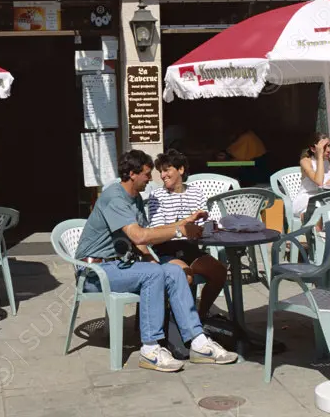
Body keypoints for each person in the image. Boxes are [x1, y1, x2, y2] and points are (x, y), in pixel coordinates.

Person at [75, 149, 237, 373]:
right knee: (154, 274)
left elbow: (142, 239)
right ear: (132, 174)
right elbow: (139, 236)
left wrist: (153, 256)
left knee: (173, 272)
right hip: (95, 271)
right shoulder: (114, 198)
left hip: (121, 264)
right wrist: (179, 229)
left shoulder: (135, 200)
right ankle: (150, 349)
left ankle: (198, 342)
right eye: (147, 174)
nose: (151, 179)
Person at [148, 149, 227, 322]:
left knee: (219, 272)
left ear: (181, 170)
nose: (162, 175)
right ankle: (178, 322)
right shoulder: (156, 196)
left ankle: (201, 316)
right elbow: (157, 229)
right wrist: (185, 224)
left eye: (167, 169)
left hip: (191, 247)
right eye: (161, 171)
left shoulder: (196, 192)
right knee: (185, 275)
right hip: (165, 248)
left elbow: (201, 225)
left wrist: (209, 226)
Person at [292, 133, 330, 218]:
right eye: (324, 147)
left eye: (329, 146)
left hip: (328, 197)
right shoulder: (306, 161)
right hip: (308, 198)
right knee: (319, 207)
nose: (329, 150)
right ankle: (315, 230)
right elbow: (319, 182)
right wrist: (320, 157)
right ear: (313, 149)